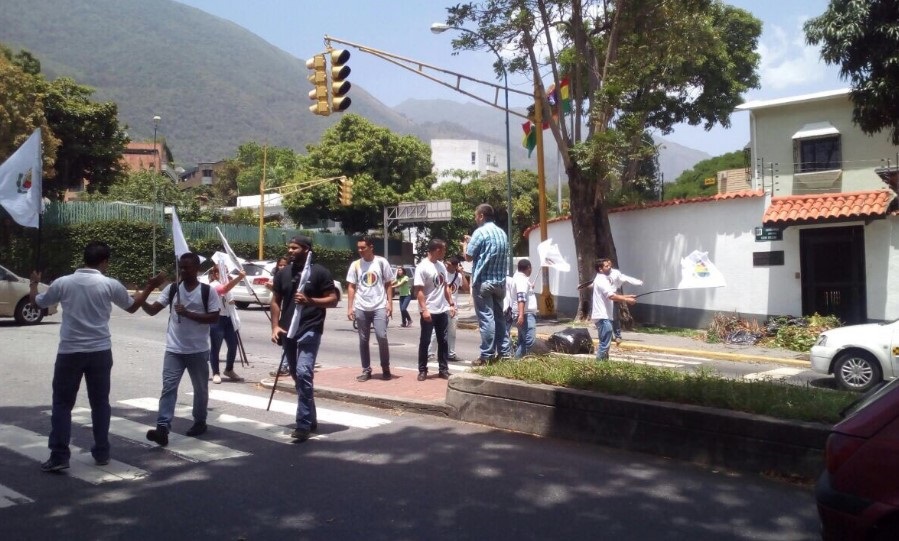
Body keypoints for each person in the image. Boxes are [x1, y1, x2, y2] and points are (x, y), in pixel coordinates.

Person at [29, 241, 165, 472]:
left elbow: (37, 303)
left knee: (62, 404)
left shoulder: (63, 282)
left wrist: (33, 282)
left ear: (84, 259)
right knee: (100, 403)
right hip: (100, 352)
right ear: (104, 262)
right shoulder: (109, 284)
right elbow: (133, 307)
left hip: (70, 352)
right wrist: (150, 286)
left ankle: (59, 455)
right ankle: (102, 452)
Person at [141, 252, 221, 446]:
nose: (183, 271)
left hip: (198, 350)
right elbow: (152, 310)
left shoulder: (207, 291)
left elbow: (214, 317)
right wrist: (143, 295)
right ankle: (162, 428)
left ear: (197, 269)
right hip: (174, 349)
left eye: (187, 268)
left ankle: (200, 421)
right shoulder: (172, 289)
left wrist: (188, 313)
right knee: (168, 388)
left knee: (200, 389)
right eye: (181, 267)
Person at [270, 236, 339, 442]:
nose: (290, 251)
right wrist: (274, 326)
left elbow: (333, 299)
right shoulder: (283, 273)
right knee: (296, 374)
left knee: (303, 372)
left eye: (295, 248)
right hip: (288, 330)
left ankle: (302, 424)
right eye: (289, 248)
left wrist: (311, 301)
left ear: (307, 250)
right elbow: (275, 301)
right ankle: (311, 417)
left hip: (311, 327)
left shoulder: (320, 272)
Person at [463, 204, 511, 365]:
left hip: (483, 282)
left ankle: (487, 355)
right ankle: (505, 354)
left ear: (482, 216)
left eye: (476, 216)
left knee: (486, 319)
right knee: (500, 319)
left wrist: (465, 245)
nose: (476, 219)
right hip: (500, 283)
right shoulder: (501, 233)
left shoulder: (480, 232)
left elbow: (468, 256)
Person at [346, 235, 395, 382]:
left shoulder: (381, 262)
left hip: (379, 305)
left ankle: (385, 367)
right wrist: (350, 307)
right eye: (359, 248)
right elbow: (351, 286)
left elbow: (388, 283)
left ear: (371, 247)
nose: (360, 250)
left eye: (363, 247)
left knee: (381, 336)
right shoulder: (355, 265)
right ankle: (366, 369)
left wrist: (390, 303)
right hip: (361, 306)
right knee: (363, 339)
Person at [414, 239, 456, 381]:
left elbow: (445, 287)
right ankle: (422, 370)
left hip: (442, 309)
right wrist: (424, 309)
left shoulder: (441, 266)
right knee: (425, 341)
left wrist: (451, 303)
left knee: (443, 341)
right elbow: (419, 291)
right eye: (443, 249)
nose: (445, 252)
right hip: (429, 310)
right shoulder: (422, 267)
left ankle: (443, 369)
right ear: (437, 250)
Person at [208, 265, 247, 384]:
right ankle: (215, 372)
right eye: (222, 273)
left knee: (233, 345)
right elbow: (223, 290)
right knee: (216, 347)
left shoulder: (228, 283)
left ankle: (229, 369)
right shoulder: (213, 285)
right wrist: (239, 278)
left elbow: (228, 294)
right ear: (215, 274)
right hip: (217, 319)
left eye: (226, 272)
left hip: (229, 318)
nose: (226, 275)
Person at [592, 258, 637, 361]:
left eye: (610, 266)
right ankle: (599, 367)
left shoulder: (602, 279)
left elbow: (611, 294)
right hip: (602, 316)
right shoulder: (601, 280)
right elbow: (611, 296)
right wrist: (627, 300)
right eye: (606, 266)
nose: (610, 268)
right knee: (604, 344)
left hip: (604, 316)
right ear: (600, 269)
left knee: (605, 343)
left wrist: (628, 296)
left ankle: (603, 366)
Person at [428, 255, 466, 361]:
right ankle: (430, 353)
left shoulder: (457, 276)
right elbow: (446, 289)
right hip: (442, 306)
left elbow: (466, 288)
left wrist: (462, 273)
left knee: (452, 332)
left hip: (453, 307)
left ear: (455, 266)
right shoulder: (443, 273)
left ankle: (451, 353)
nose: (446, 265)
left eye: (449, 264)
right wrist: (450, 304)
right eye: (447, 264)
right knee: (437, 331)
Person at [268, 256, 291, 377]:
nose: (281, 267)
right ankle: (285, 364)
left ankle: (285, 365)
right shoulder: (278, 277)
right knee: (285, 341)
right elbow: (276, 299)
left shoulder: (291, 277)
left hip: (291, 315)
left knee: (289, 341)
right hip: (283, 315)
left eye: (284, 265)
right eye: (280, 265)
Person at [608, 266, 643, 344]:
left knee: (615, 317)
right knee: (606, 319)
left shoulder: (615, 273)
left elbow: (625, 277)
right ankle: (608, 336)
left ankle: (617, 336)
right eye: (606, 265)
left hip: (614, 296)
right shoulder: (601, 276)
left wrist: (637, 282)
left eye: (609, 265)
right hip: (605, 299)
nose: (608, 267)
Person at [510, 259, 538, 358]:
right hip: (526, 314)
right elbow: (521, 297)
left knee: (522, 340)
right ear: (529, 268)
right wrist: (521, 315)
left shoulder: (520, 278)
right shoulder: (522, 280)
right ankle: (516, 362)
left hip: (524, 314)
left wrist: (530, 287)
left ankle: (519, 363)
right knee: (529, 341)